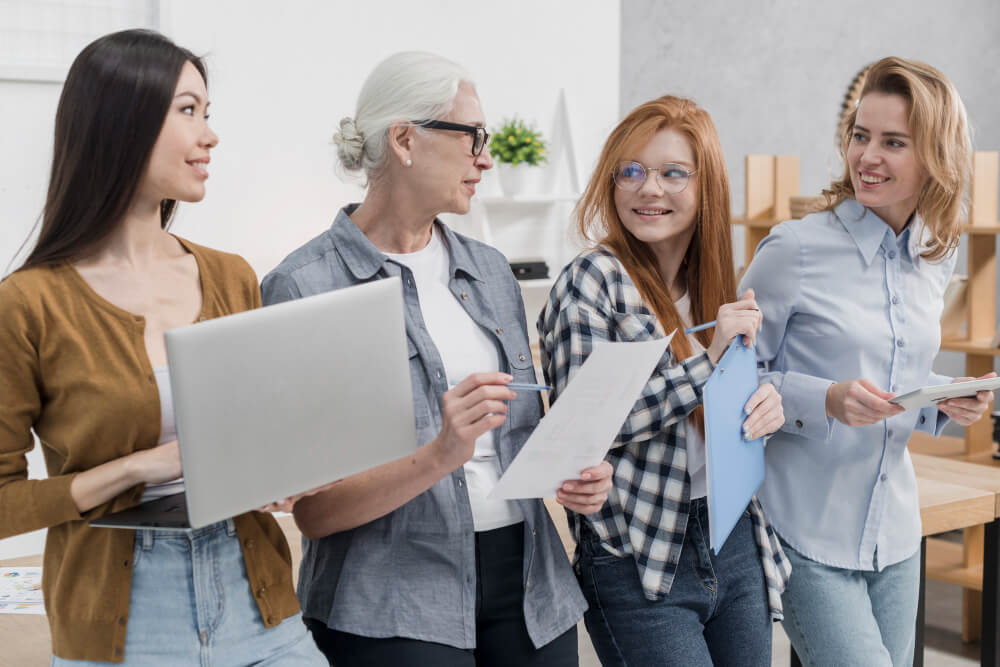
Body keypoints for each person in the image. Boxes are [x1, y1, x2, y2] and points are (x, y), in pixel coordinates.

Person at [260, 51, 612, 667]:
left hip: (531, 584)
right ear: (404, 140)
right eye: (473, 136)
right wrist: (439, 455)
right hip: (387, 597)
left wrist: (575, 473)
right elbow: (315, 512)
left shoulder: (491, 271)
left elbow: (521, 433)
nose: (487, 157)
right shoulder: (303, 287)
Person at [0, 30, 326, 665]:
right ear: (122, 122)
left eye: (208, 113)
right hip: (125, 631)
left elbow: (262, 433)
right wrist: (137, 468)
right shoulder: (28, 303)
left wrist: (281, 474)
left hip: (259, 599)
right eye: (188, 111)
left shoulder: (232, 277)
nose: (211, 136)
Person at [739, 56, 995, 667]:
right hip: (803, 529)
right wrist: (822, 398)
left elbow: (895, 374)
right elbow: (728, 380)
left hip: (895, 534)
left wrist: (942, 398)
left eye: (893, 142)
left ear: (934, 155)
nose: (867, 156)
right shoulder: (794, 248)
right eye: (861, 136)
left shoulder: (935, 256)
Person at [537, 95, 790, 666]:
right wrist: (707, 362)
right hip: (639, 555)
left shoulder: (715, 284)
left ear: (707, 187)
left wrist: (763, 408)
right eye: (631, 171)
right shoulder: (591, 281)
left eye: (673, 173)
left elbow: (720, 420)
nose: (648, 189)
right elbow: (583, 428)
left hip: (732, 536)